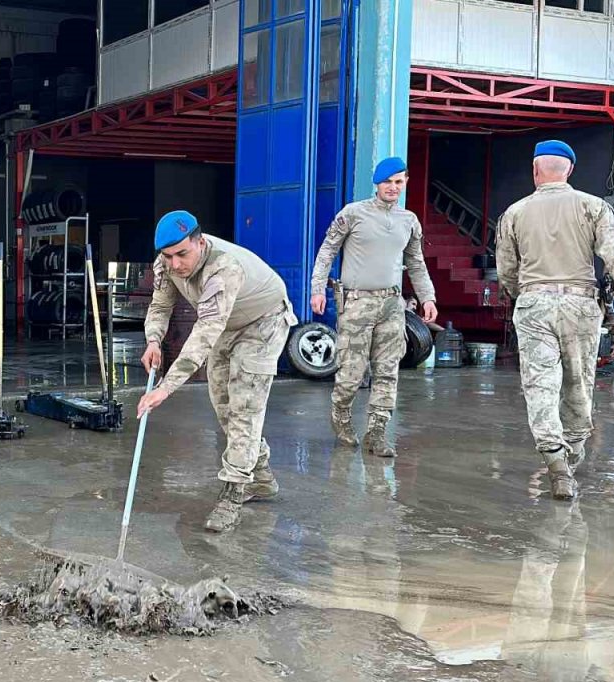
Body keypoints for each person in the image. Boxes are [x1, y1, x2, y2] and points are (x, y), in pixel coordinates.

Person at [496, 140, 614, 500]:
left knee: (540, 386)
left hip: (534, 302)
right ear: (570, 171)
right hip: (580, 304)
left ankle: (555, 462)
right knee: (578, 384)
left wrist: (525, 295)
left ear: (535, 170)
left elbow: (506, 272)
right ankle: (571, 458)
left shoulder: (514, 213)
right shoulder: (594, 207)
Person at [136, 211, 298, 533]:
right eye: (168, 256)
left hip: (262, 321)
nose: (176, 264)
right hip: (226, 323)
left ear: (200, 241)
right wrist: (153, 340)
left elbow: (204, 333)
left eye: (183, 253)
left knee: (244, 407)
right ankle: (261, 475)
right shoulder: (167, 264)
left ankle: (233, 494)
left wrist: (165, 388)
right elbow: (160, 305)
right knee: (223, 404)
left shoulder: (223, 268)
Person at [309, 157, 438, 457]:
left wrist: (427, 296)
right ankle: (340, 416)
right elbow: (328, 250)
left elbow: (415, 262)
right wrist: (317, 289)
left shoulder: (409, 221)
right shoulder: (353, 214)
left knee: (388, 369)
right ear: (377, 184)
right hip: (357, 303)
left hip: (392, 304)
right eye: (387, 182)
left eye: (398, 182)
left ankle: (377, 432)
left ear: (405, 182)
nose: (393, 188)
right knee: (351, 372)